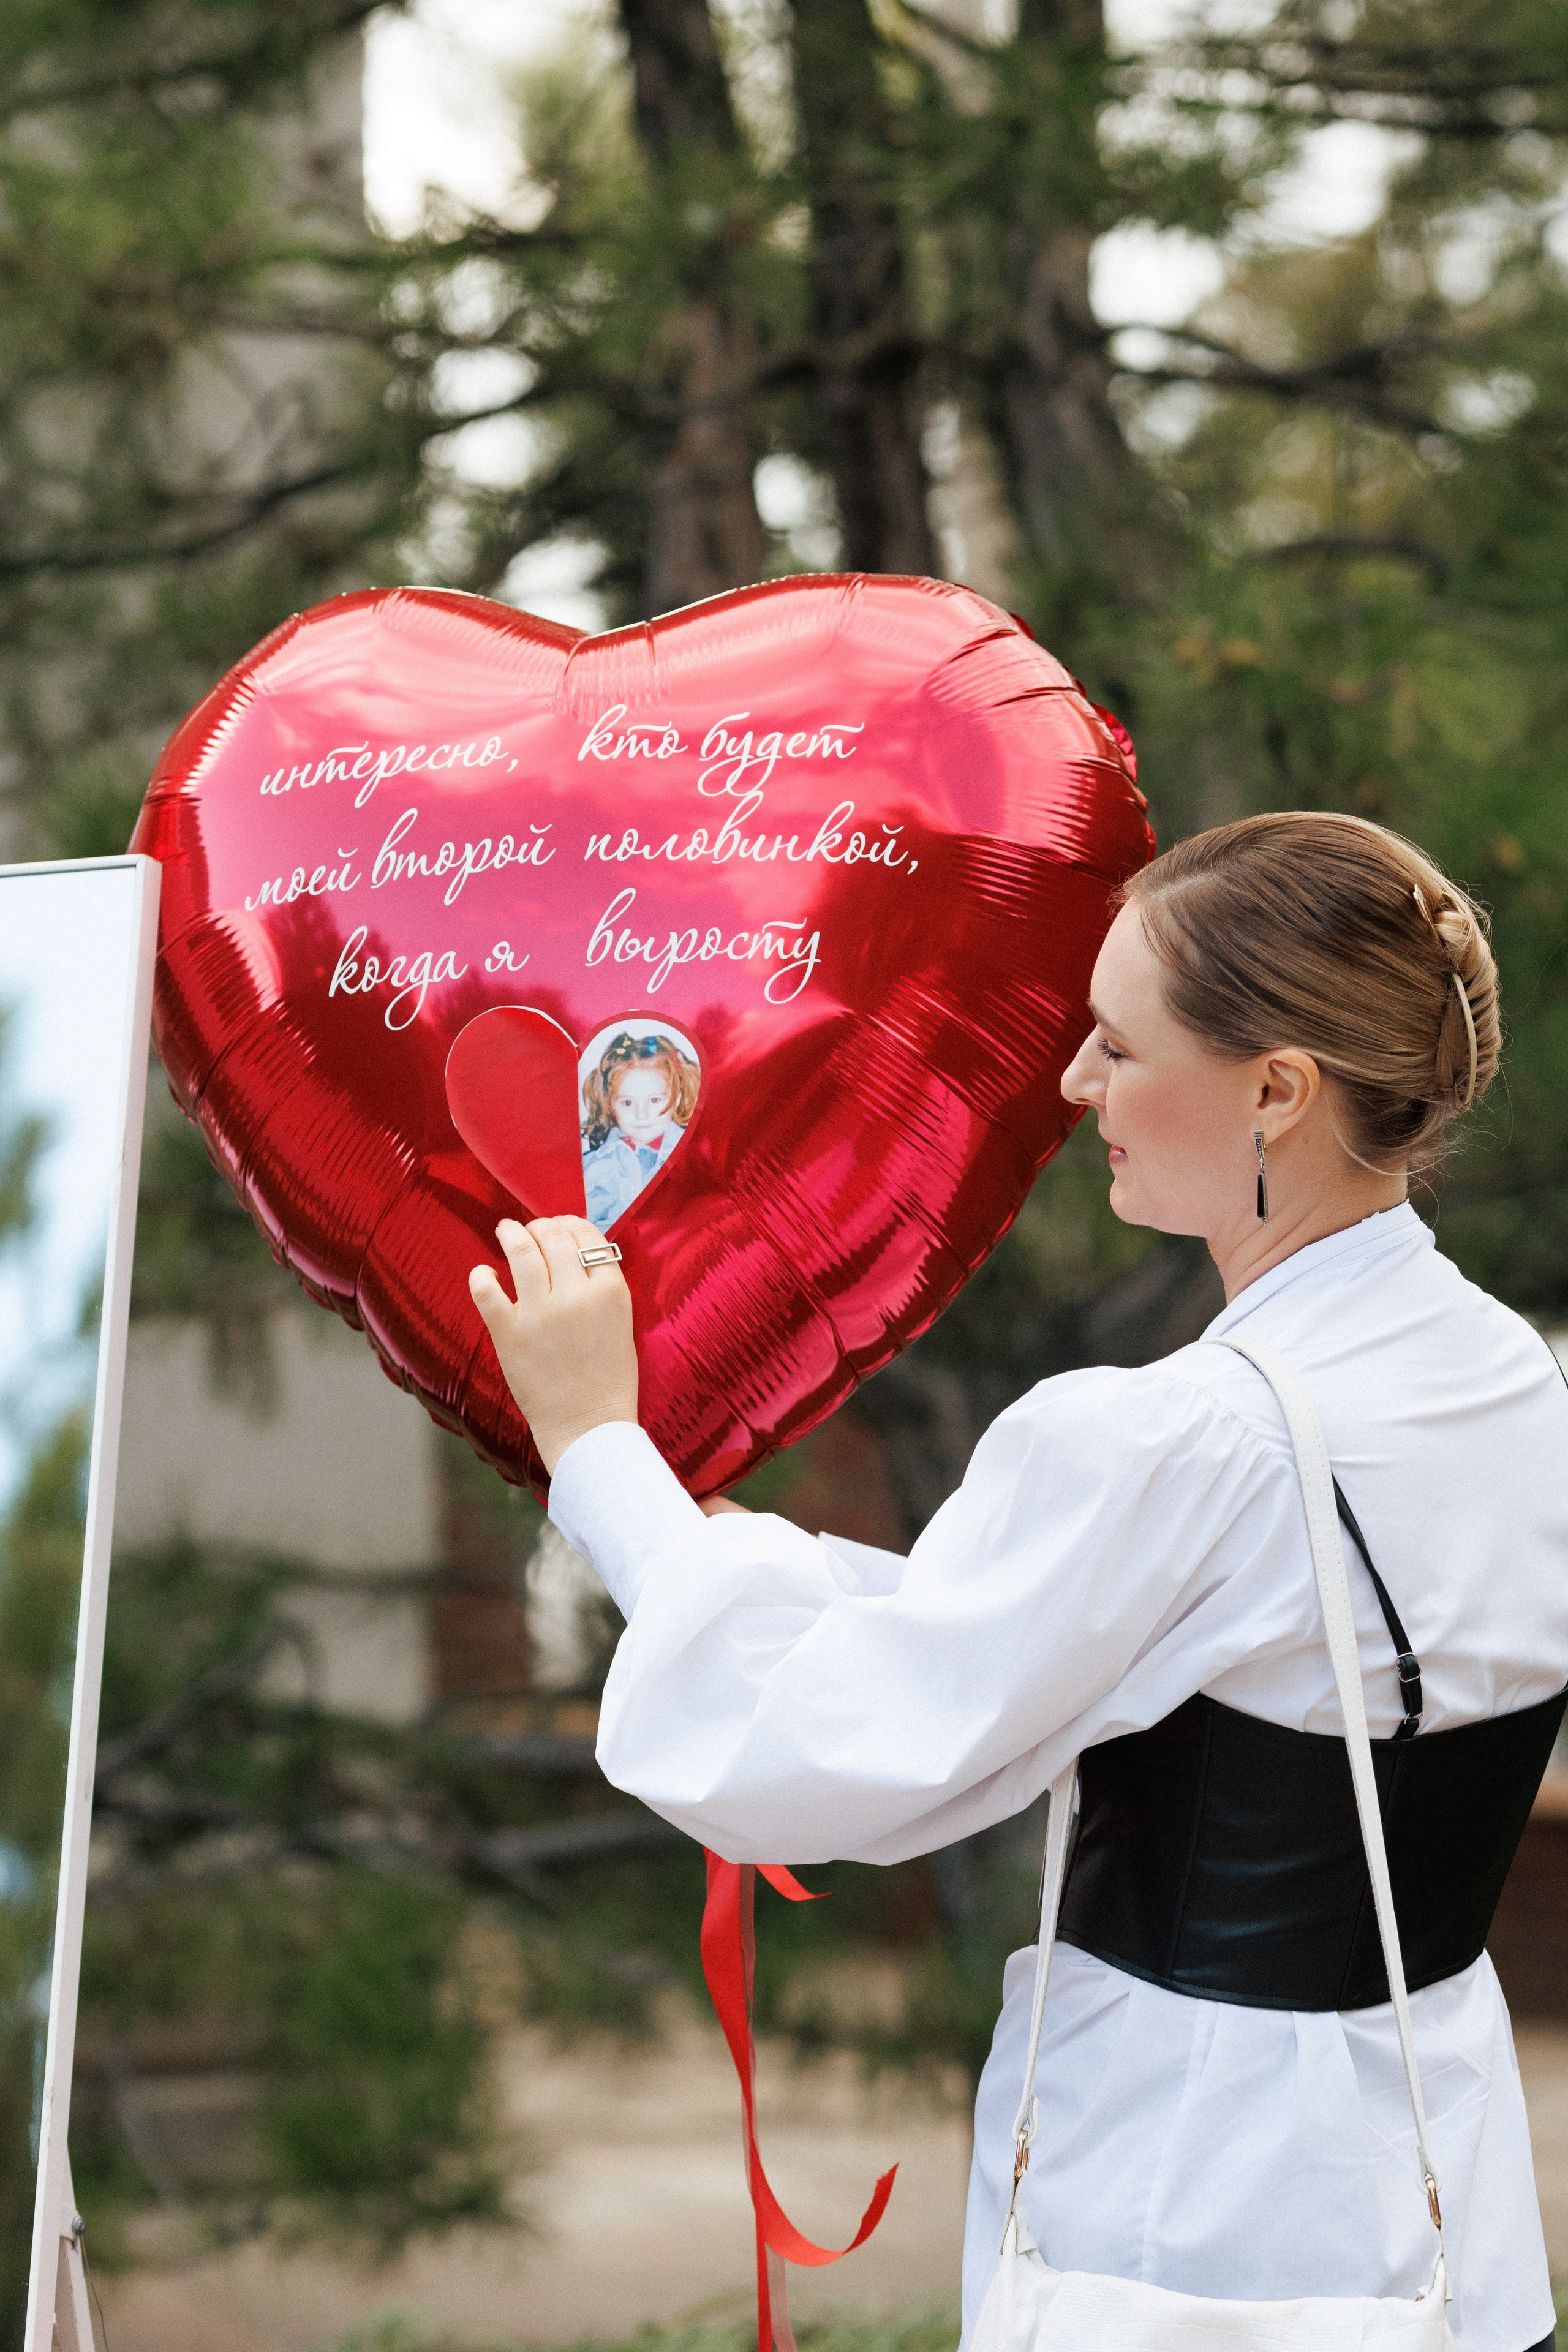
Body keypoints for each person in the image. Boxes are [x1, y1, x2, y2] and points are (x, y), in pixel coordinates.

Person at [468, 813, 1568, 2352]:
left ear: (1274, 1090)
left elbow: (831, 1745)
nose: (1074, 1084)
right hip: (1423, 2157)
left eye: (1117, 1044)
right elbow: (1043, 1629)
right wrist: (704, 1537)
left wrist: (594, 1443)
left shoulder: (1191, 1438)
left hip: (1195, 2195)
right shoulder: (1503, 1379)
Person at [579, 1030, 699, 1229]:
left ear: (676, 1099)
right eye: (627, 1103)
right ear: (611, 1104)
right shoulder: (592, 1167)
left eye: (654, 1100)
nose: (641, 1115)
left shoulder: (696, 1157)